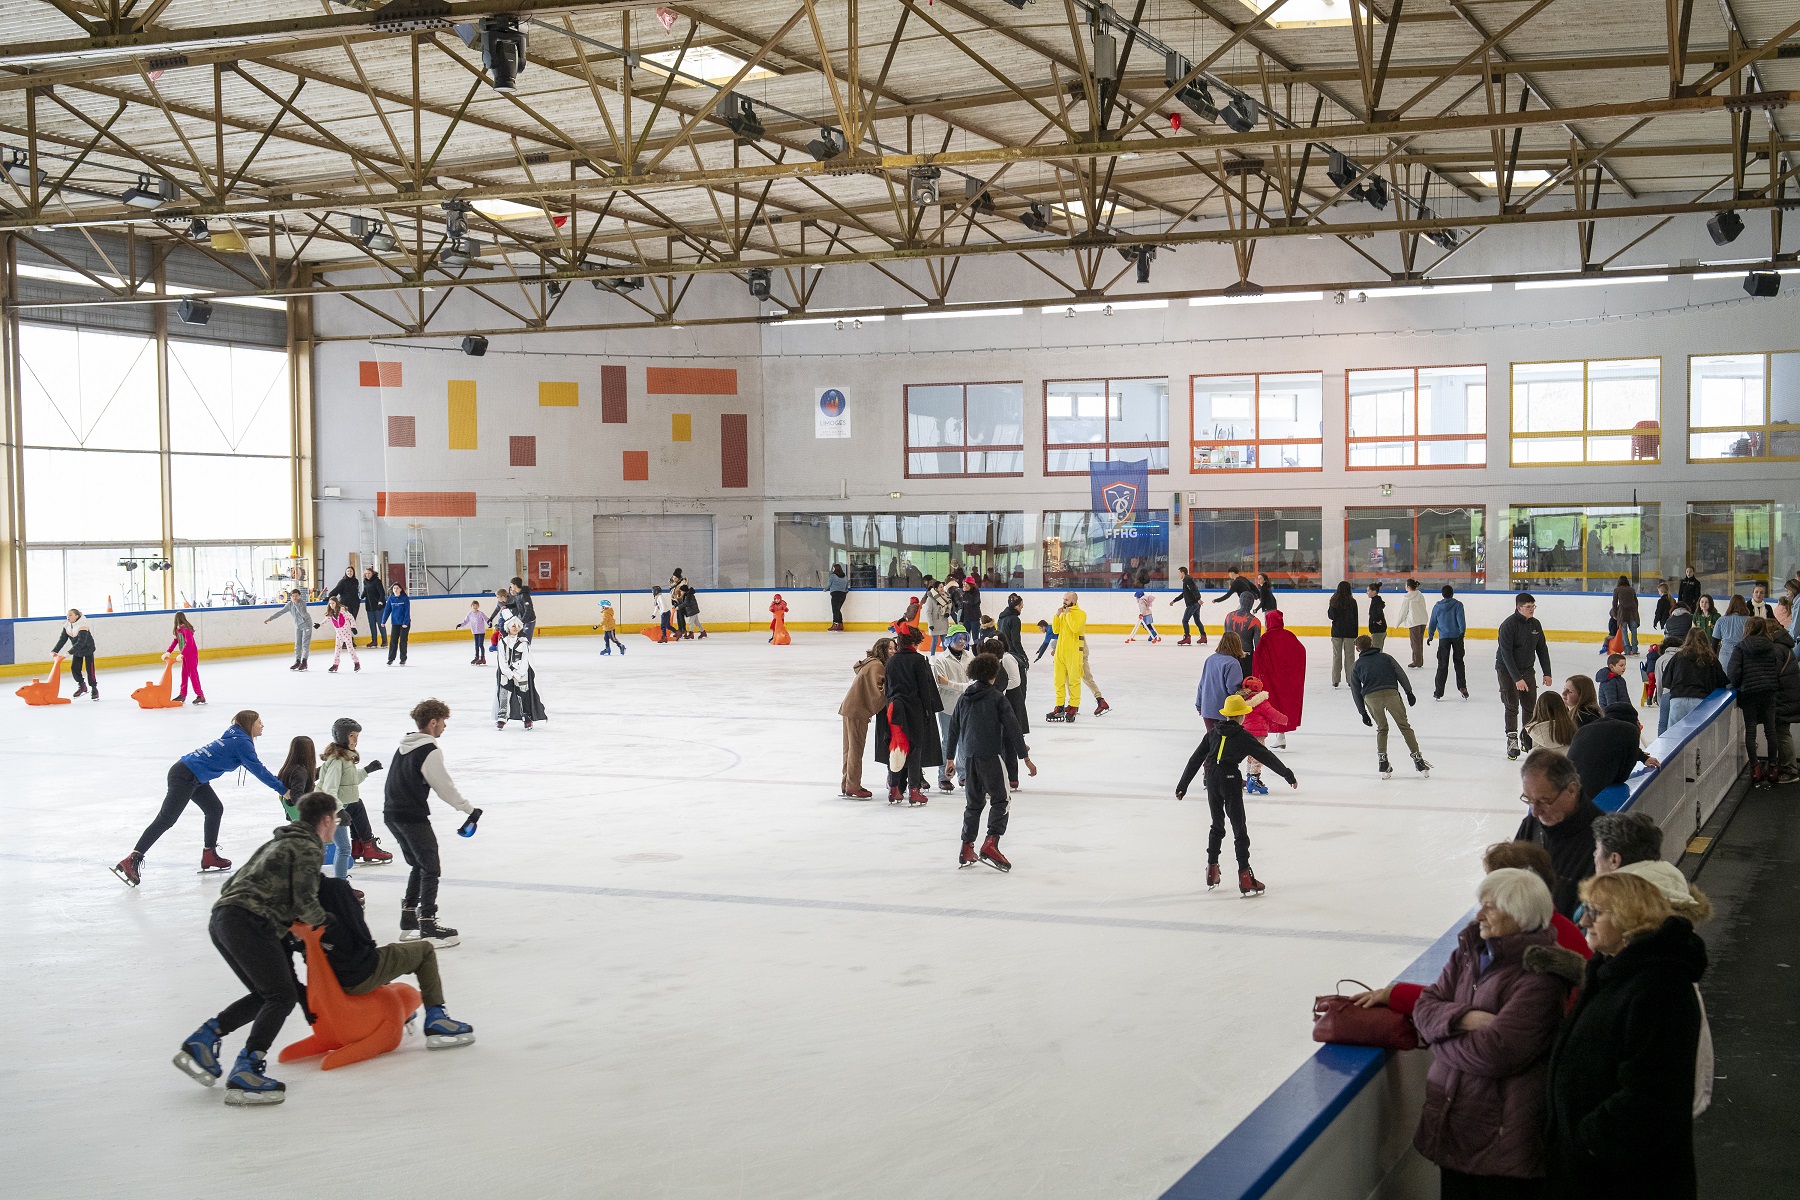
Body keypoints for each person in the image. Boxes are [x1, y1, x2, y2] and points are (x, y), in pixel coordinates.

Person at [1407, 868, 1574, 1199]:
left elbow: (1497, 1052)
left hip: (1502, 1136)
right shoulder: (1469, 953)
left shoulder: (1540, 977)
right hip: (1454, 1122)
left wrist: (1439, 1040)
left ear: (1520, 914)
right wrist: (1463, 1018)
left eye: (1491, 907)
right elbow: (1424, 1007)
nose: (1479, 915)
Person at [169, 791, 340, 1106]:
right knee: (281, 996)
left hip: (222, 919)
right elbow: (305, 899)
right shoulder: (307, 847)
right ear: (326, 820)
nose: (336, 825)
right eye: (336, 819)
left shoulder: (277, 842)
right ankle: (247, 1068)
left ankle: (204, 1039)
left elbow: (230, 885)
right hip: (249, 922)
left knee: (266, 995)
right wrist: (325, 922)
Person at [1545, 872, 1706, 1198]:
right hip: (1593, 1172)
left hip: (1624, 1178)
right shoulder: (1611, 973)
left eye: (1597, 912)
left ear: (1631, 921)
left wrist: (1588, 1143)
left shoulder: (1660, 988)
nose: (1584, 921)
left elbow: (1651, 1096)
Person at [113, 710, 288, 885]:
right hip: (184, 776)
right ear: (250, 725)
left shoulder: (236, 737)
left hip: (194, 776)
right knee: (166, 819)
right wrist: (282, 789)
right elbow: (259, 770)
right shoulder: (242, 743)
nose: (262, 725)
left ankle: (209, 855)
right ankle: (132, 859)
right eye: (259, 722)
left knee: (214, 809)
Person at [314, 875, 475, 1049]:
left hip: (329, 980)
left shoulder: (294, 898)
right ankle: (436, 1017)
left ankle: (397, 1010)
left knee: (386, 954)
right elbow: (361, 936)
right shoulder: (335, 888)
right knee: (424, 951)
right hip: (357, 974)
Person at [1175, 693, 1296, 896]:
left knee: (1217, 824)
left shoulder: (1213, 733)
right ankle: (1245, 876)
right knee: (1239, 828)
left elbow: (1195, 759)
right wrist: (1288, 775)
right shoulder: (1243, 736)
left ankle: (1212, 869)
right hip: (1230, 778)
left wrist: (1182, 785)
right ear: (1241, 716)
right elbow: (1265, 756)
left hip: (1212, 778)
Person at [384, 698, 478, 946]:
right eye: (443, 721)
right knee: (431, 868)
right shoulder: (429, 750)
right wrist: (468, 809)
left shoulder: (405, 745)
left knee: (418, 864)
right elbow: (444, 786)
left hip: (391, 813)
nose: (445, 726)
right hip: (411, 816)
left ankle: (408, 918)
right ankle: (427, 922)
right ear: (433, 722)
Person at [944, 653, 1032, 872]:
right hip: (991, 757)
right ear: (994, 674)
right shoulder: (996, 698)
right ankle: (991, 842)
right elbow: (1013, 728)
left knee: (974, 804)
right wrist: (1026, 758)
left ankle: (967, 846)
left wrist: (950, 759)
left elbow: (953, 728)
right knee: (1001, 800)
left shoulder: (965, 697)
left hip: (970, 759)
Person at [1514, 749, 1601, 918]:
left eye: (1544, 801)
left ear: (1571, 790)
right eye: (1529, 800)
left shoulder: (1601, 841)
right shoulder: (1532, 825)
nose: (1535, 811)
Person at [1349, 634, 1429, 779]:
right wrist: (1409, 692)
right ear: (1372, 644)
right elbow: (1400, 674)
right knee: (1404, 726)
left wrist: (1363, 713)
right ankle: (1418, 760)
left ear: (1357, 649)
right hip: (1392, 694)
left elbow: (1355, 690)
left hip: (1372, 698)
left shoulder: (1356, 666)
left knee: (1382, 729)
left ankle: (1383, 761)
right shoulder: (1386, 657)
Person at [882, 626, 943, 805]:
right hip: (914, 709)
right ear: (915, 642)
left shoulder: (891, 662)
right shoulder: (918, 661)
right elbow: (925, 690)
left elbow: (888, 689)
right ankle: (914, 791)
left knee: (897, 748)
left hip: (894, 709)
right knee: (915, 749)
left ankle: (894, 789)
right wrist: (928, 711)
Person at [320, 717, 387, 875]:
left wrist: (367, 771)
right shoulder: (337, 761)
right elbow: (329, 789)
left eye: (357, 736)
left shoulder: (345, 757)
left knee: (344, 847)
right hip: (332, 809)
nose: (356, 740)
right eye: (352, 736)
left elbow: (350, 781)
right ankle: (340, 884)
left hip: (339, 806)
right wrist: (337, 810)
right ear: (341, 736)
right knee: (343, 849)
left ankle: (341, 883)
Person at [1726, 615, 1783, 787]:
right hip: (1768, 692)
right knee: (1770, 730)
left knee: (1750, 731)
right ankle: (1773, 767)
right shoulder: (1772, 647)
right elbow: (1777, 668)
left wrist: (1736, 685)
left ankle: (1755, 768)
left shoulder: (1740, 647)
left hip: (1749, 692)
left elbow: (1733, 671)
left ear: (1748, 629)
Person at [1496, 592, 1553, 759]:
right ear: (1518, 607)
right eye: (1528, 607)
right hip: (1507, 671)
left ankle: (1527, 736)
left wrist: (1547, 672)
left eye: (1533, 606)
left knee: (1530, 706)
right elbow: (1506, 654)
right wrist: (1516, 679)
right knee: (1512, 705)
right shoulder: (1508, 625)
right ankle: (1512, 739)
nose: (1532, 609)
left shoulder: (1535, 624)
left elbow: (1542, 648)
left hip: (1527, 670)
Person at [1568, 704, 1660, 803]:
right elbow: (1622, 777)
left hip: (1568, 793)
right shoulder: (1631, 730)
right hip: (1594, 800)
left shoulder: (1584, 730)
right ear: (1637, 723)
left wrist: (1642, 757)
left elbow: (1607, 744)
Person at [839, 638, 892, 799]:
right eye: (890, 648)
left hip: (850, 709)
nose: (893, 651)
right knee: (855, 749)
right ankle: (853, 786)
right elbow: (879, 692)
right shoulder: (877, 666)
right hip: (857, 711)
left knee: (849, 749)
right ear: (882, 649)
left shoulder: (870, 662)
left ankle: (847, 784)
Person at [930, 623, 975, 792]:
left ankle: (963, 774)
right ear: (949, 640)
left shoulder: (970, 657)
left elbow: (972, 683)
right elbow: (941, 685)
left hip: (966, 706)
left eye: (964, 639)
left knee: (965, 741)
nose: (962, 642)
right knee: (948, 741)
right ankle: (944, 776)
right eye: (959, 639)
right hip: (948, 707)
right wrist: (963, 686)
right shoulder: (941, 660)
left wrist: (951, 683)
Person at [1250, 610, 1304, 749]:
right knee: (1284, 705)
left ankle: (1276, 736)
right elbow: (1301, 651)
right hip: (1287, 679)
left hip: (1271, 678)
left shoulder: (1266, 638)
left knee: (1272, 706)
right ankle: (1281, 736)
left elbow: (1258, 657)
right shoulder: (1289, 636)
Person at [494, 616, 546, 730]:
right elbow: (501, 659)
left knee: (523, 695)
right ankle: (502, 717)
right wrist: (508, 673)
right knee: (504, 695)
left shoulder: (524, 642)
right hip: (506, 674)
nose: (516, 628)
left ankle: (526, 717)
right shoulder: (502, 642)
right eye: (513, 626)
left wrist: (518, 673)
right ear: (508, 627)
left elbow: (525, 660)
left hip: (521, 674)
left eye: (518, 626)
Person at [1236, 676, 1286, 794]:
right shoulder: (1261, 702)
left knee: (1250, 757)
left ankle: (1249, 776)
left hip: (1244, 734)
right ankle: (1254, 778)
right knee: (1259, 757)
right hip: (1258, 735)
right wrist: (1285, 720)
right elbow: (1273, 714)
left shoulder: (1241, 701)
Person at [1046, 592, 1087, 723]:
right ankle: (1059, 706)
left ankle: (1073, 706)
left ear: (1073, 601)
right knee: (1058, 681)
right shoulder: (1063, 614)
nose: (1064, 601)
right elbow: (1056, 630)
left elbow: (1075, 629)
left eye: (1067, 599)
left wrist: (1068, 614)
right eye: (1063, 599)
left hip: (1074, 653)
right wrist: (1057, 615)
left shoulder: (1081, 614)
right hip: (1060, 652)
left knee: (1074, 681)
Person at [1196, 631, 1245, 731]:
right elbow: (1233, 689)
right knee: (1225, 743)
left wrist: (1199, 705)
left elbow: (1202, 684)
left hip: (1207, 709)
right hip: (1224, 711)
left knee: (1213, 741)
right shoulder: (1232, 663)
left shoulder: (1210, 659)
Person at [995, 592, 1030, 732]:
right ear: (1016, 606)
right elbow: (1016, 641)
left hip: (1003, 655)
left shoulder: (1001, 617)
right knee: (1019, 691)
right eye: (1021, 606)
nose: (1022, 608)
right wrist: (1023, 657)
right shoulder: (1015, 620)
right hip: (1013, 656)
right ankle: (1017, 726)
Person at [1427, 584, 1469, 699]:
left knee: (1442, 664)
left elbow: (1432, 622)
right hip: (1457, 637)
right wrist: (1462, 632)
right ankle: (1462, 687)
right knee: (1459, 662)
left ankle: (1438, 692)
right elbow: (1461, 619)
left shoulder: (1437, 606)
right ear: (1452, 593)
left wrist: (1430, 636)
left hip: (1444, 638)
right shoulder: (1458, 605)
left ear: (1442, 594)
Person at [51, 607, 99, 699]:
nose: (68, 617)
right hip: (77, 650)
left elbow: (81, 642)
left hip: (87, 648)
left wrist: (70, 652)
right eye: (67, 615)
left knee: (90, 669)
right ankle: (82, 686)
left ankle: (94, 688)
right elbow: (62, 639)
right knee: (74, 668)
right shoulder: (67, 626)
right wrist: (54, 650)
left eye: (70, 615)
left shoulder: (83, 626)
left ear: (77, 616)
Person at [265, 588, 318, 672]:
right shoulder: (290, 604)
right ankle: (297, 661)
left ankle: (304, 662)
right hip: (298, 627)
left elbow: (303, 614)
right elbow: (281, 612)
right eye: (293, 596)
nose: (294, 597)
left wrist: (296, 604)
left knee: (305, 644)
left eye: (296, 596)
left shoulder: (301, 603)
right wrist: (270, 619)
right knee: (297, 645)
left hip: (306, 625)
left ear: (299, 596)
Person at [276, 736, 318, 823]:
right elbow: (296, 795)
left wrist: (326, 768)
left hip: (296, 816)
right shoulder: (300, 771)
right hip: (305, 819)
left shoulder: (291, 768)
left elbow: (307, 780)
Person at [1524, 691, 1578, 755]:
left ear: (1538, 708)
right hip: (1566, 763)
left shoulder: (1529, 732)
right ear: (1562, 707)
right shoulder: (1572, 729)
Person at [168, 611, 205, 703]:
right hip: (185, 656)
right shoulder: (179, 630)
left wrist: (182, 653)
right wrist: (168, 652)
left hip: (191, 655)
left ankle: (200, 695)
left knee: (193, 675)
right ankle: (182, 694)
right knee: (184, 675)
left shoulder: (186, 630)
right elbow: (175, 642)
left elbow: (189, 643)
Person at [1327, 581, 1358, 687]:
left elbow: (1331, 616)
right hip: (1349, 633)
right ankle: (1350, 680)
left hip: (1337, 632)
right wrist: (1355, 635)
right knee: (1350, 657)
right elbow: (1355, 619)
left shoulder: (1334, 601)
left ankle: (1335, 680)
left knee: (1337, 656)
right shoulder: (1352, 602)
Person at [1223, 592, 1260, 676]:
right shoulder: (1254, 621)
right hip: (1246, 656)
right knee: (1245, 683)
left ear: (1240, 601)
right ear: (1252, 603)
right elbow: (1257, 645)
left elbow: (1225, 637)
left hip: (1229, 654)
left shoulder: (1229, 616)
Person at [1395, 578, 1429, 668]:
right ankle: (1419, 661)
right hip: (1423, 620)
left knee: (1415, 643)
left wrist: (1397, 623)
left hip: (1414, 622)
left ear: (1408, 587)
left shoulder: (1407, 597)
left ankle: (1416, 662)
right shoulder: (1420, 595)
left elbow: (1403, 611)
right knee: (1419, 642)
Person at [1077, 632, 1111, 718]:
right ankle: (1073, 705)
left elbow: (1079, 638)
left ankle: (1100, 700)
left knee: (1087, 678)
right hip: (1075, 655)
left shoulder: (1075, 623)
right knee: (1072, 679)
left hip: (1080, 655)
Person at [1713, 594, 1750, 672]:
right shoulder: (1749, 620)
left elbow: (1715, 642)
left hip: (1725, 654)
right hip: (1742, 653)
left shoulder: (1721, 620)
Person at [1170, 565, 1206, 644]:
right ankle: (1203, 637)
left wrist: (1198, 598)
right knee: (1197, 621)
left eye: (1179, 573)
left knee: (1185, 620)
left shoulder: (1187, 580)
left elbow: (1193, 589)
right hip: (1196, 604)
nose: (1179, 575)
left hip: (1192, 604)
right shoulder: (1187, 581)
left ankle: (1187, 637)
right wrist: (1174, 600)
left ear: (1183, 573)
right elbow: (1184, 594)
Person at [324, 597, 359, 673]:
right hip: (339, 634)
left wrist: (353, 627)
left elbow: (351, 617)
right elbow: (327, 620)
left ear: (336, 603)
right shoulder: (331, 613)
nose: (331, 605)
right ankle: (335, 665)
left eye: (333, 603)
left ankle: (356, 663)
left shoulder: (342, 610)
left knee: (350, 649)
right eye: (330, 603)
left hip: (346, 633)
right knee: (337, 650)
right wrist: (320, 624)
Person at [1610, 574, 1641, 655]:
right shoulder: (1632, 589)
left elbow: (1614, 603)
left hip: (1622, 613)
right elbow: (1636, 602)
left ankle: (1627, 650)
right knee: (1634, 631)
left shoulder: (1617, 590)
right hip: (1632, 612)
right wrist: (1635, 611)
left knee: (1624, 631)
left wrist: (1615, 614)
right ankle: (1634, 649)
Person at [385, 582, 412, 666]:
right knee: (393, 641)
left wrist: (405, 623)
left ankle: (403, 659)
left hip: (404, 623)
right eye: (394, 588)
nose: (395, 590)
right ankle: (391, 659)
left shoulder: (405, 598)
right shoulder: (390, 599)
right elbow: (387, 610)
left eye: (397, 588)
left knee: (403, 641)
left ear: (400, 589)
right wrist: (383, 621)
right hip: (395, 623)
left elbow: (407, 611)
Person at [361, 567, 387, 649]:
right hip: (369, 607)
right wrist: (362, 596)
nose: (367, 575)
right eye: (366, 574)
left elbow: (382, 593)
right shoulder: (365, 581)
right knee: (372, 624)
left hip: (378, 606)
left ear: (372, 573)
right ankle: (374, 641)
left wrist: (380, 602)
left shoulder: (377, 581)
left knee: (380, 624)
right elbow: (366, 590)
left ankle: (384, 641)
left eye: (369, 573)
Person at [926, 580, 954, 653]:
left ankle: (946, 656)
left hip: (943, 622)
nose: (942, 589)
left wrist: (948, 612)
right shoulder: (931, 598)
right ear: (936, 588)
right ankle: (932, 656)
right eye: (940, 587)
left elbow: (948, 607)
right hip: (935, 623)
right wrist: (930, 624)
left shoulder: (946, 596)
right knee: (934, 641)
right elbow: (928, 612)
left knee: (945, 641)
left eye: (943, 587)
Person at [458, 601, 489, 665]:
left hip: (481, 631)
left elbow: (486, 619)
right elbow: (465, 621)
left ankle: (483, 657)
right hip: (475, 631)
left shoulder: (480, 613)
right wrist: (460, 625)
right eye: (474, 605)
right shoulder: (470, 614)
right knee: (476, 645)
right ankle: (477, 657)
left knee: (480, 644)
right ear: (471, 606)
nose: (475, 607)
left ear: (478, 606)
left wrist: (489, 623)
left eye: (476, 605)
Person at [1365, 581, 1389, 652]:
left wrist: (1377, 620)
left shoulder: (1376, 601)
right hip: (1379, 629)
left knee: (1376, 651)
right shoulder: (1376, 600)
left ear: (1374, 591)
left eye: (1368, 590)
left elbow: (1375, 612)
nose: (1367, 592)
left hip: (1377, 630)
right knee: (1378, 650)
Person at [826, 564, 849, 632]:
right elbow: (846, 586)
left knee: (835, 610)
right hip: (843, 594)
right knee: (838, 609)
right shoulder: (845, 577)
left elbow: (829, 584)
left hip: (835, 593)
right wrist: (845, 592)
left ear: (835, 569)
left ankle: (835, 624)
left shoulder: (833, 576)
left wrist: (825, 589)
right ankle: (840, 624)